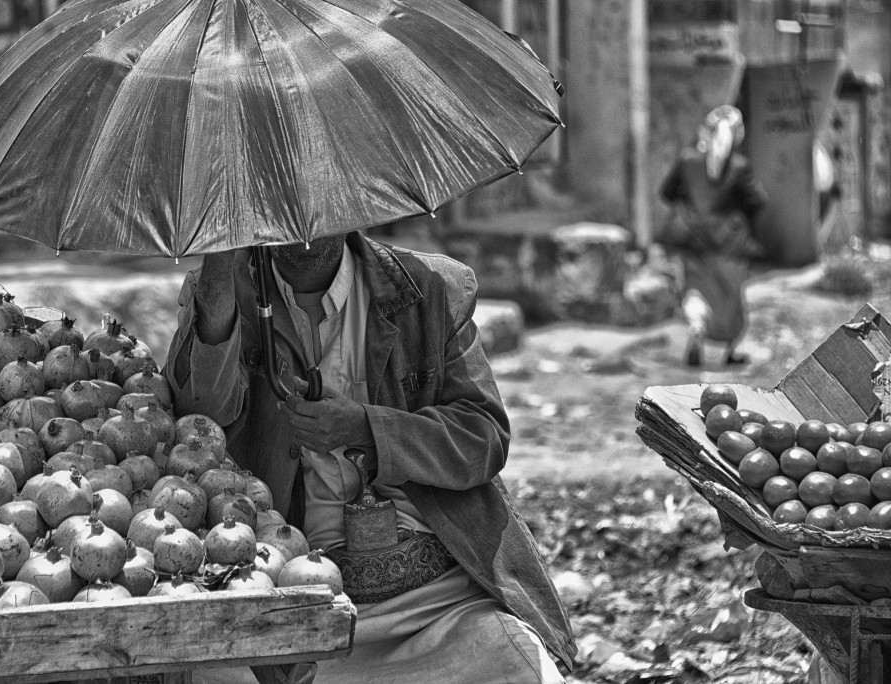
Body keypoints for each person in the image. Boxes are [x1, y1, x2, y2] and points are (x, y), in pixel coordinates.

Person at [165, 232, 576, 683]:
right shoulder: (224, 292)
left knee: (513, 667)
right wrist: (222, 259)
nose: (302, 220)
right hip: (306, 606)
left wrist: (365, 427)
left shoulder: (430, 287)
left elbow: (483, 439)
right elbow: (198, 424)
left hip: (445, 604)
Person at [659, 105, 768, 367]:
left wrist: (691, 205)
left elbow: (666, 192)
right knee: (730, 298)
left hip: (693, 241)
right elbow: (759, 200)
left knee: (696, 290)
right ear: (738, 135)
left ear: (706, 131)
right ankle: (729, 353)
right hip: (728, 244)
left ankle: (696, 329)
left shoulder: (687, 161)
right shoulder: (740, 167)